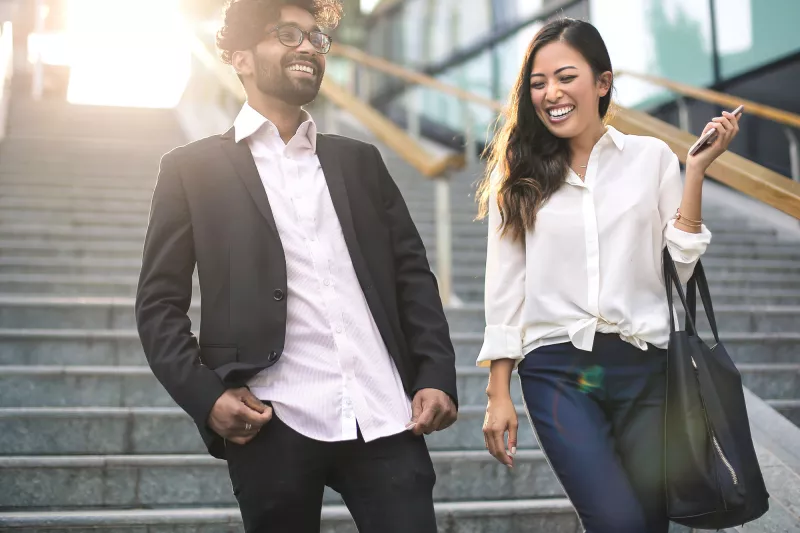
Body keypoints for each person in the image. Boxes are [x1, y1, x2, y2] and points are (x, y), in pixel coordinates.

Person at [134, 1, 458, 532]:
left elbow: (412, 277)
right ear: (239, 58)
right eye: (286, 35)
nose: (308, 46)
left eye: (316, 38)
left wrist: (435, 375)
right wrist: (206, 396)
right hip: (271, 419)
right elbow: (158, 306)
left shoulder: (360, 162)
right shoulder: (190, 170)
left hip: (383, 413)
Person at [477, 18, 739, 533]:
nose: (551, 93)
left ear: (602, 83)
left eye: (565, 77)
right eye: (538, 82)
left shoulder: (651, 159)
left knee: (647, 522)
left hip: (647, 369)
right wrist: (498, 392)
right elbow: (505, 286)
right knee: (616, 522)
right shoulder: (520, 175)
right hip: (557, 371)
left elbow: (680, 269)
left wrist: (696, 173)